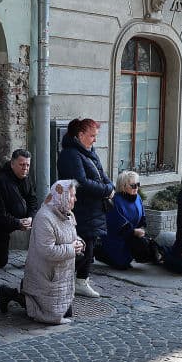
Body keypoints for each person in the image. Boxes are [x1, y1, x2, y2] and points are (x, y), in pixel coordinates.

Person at [0, 180, 83, 324]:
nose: (75, 199)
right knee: (49, 315)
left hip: (61, 273)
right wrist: (71, 249)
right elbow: (47, 251)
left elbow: (72, 236)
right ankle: (9, 293)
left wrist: (80, 243)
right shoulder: (44, 218)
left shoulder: (67, 214)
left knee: (66, 313)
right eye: (72, 196)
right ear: (61, 197)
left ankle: (28, 294)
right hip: (45, 272)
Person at [57, 118, 113, 298]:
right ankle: (64, 280)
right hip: (81, 209)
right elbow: (81, 183)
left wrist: (109, 186)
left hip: (93, 209)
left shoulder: (89, 152)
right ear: (80, 135)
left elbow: (102, 175)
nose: (95, 140)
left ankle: (81, 281)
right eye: (92, 136)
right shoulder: (71, 155)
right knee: (82, 248)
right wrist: (106, 190)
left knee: (89, 247)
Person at [0, 149, 38, 268]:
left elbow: (33, 200)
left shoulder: (26, 177)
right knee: (0, 261)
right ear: (12, 164)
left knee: (41, 221)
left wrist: (31, 217)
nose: (25, 168)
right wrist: (17, 223)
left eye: (27, 165)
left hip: (17, 218)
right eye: (22, 164)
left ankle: (36, 258)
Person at [95, 170, 159, 270]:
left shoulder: (137, 197)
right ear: (123, 186)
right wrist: (133, 231)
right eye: (133, 185)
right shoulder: (115, 201)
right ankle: (100, 251)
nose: (137, 188)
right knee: (121, 264)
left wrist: (141, 229)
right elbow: (116, 224)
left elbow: (142, 216)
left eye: (138, 184)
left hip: (131, 236)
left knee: (146, 251)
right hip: (116, 238)